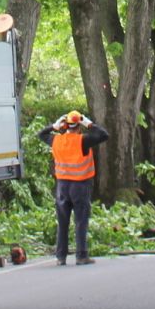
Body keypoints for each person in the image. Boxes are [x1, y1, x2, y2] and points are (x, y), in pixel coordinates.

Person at [41, 110, 109, 266]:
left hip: (62, 187)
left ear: (65, 126)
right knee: (80, 221)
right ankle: (81, 255)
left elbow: (41, 134)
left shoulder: (56, 140)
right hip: (80, 185)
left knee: (62, 222)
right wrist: (89, 123)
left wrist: (54, 126)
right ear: (79, 126)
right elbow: (104, 135)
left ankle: (60, 257)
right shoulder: (83, 140)